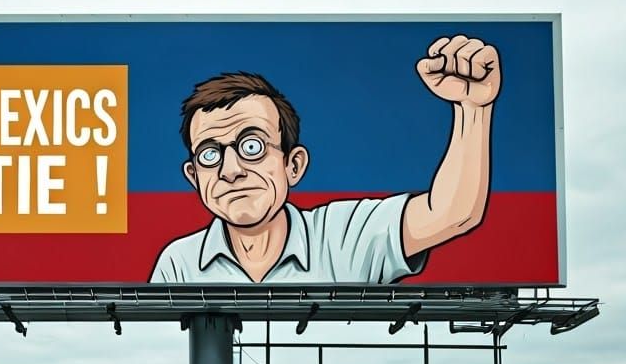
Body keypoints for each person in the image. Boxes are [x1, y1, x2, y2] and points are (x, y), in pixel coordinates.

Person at [149, 34, 500, 284]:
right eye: (211, 154)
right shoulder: (178, 264)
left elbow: (452, 213)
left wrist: (473, 108)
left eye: (251, 146)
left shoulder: (344, 236)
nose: (231, 170)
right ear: (194, 176)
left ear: (294, 164)